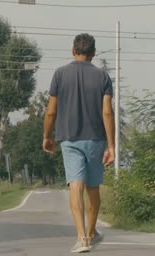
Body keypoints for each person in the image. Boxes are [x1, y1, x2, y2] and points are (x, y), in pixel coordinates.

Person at [42, 33, 115, 253]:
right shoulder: (103, 77)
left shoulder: (59, 74)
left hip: (69, 139)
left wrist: (46, 135)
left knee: (75, 184)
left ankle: (82, 238)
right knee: (93, 187)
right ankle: (92, 233)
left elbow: (51, 111)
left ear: (73, 51)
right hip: (95, 139)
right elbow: (107, 113)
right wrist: (111, 146)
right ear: (94, 53)